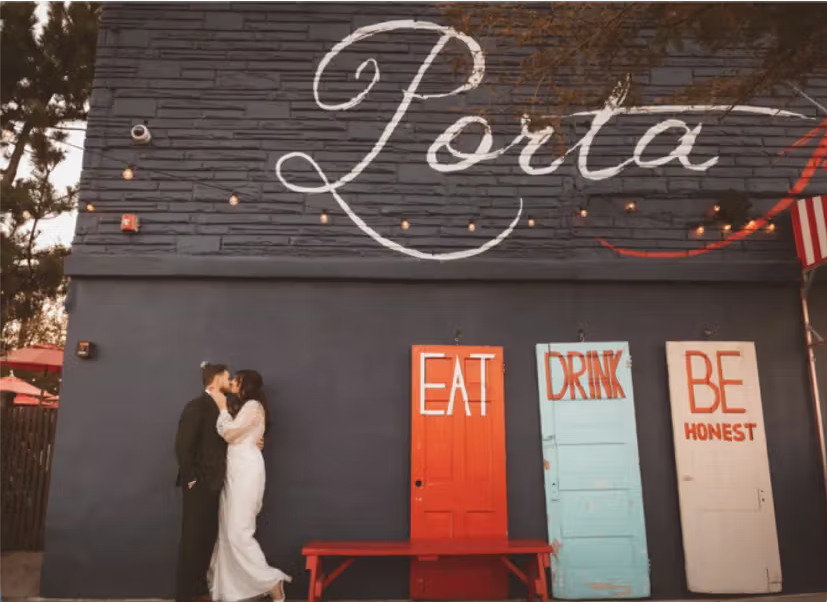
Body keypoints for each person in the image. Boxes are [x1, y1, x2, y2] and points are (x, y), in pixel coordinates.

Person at [207, 369, 291, 602]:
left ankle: (272, 581)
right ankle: (229, 591)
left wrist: (222, 407)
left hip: (246, 472)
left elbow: (231, 434)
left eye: (236, 379)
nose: (232, 382)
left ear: (246, 384)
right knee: (228, 530)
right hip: (235, 471)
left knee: (239, 531)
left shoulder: (253, 406)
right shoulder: (245, 407)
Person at [175, 362, 233, 602]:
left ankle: (199, 591)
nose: (230, 382)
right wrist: (191, 480)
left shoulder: (222, 406)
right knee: (193, 538)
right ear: (216, 379)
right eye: (227, 378)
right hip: (199, 485)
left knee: (206, 538)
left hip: (215, 485)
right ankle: (186, 595)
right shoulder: (196, 406)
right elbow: (182, 446)